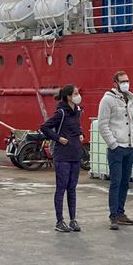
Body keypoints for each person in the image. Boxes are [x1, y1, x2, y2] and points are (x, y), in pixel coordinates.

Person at [98, 70, 133, 230]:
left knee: (125, 182)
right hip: (117, 148)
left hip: (130, 146)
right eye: (122, 81)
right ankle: (113, 215)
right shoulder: (107, 100)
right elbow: (103, 124)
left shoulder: (131, 99)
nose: (125, 83)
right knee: (115, 182)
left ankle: (121, 213)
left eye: (127, 81)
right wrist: (113, 143)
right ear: (115, 83)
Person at [39, 85, 84, 233]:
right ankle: (59, 221)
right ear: (68, 97)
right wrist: (58, 138)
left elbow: (77, 126)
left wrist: (81, 133)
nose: (78, 96)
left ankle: (73, 219)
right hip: (62, 156)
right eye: (75, 93)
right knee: (61, 188)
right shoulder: (61, 113)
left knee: (72, 188)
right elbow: (44, 127)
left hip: (75, 154)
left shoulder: (77, 111)